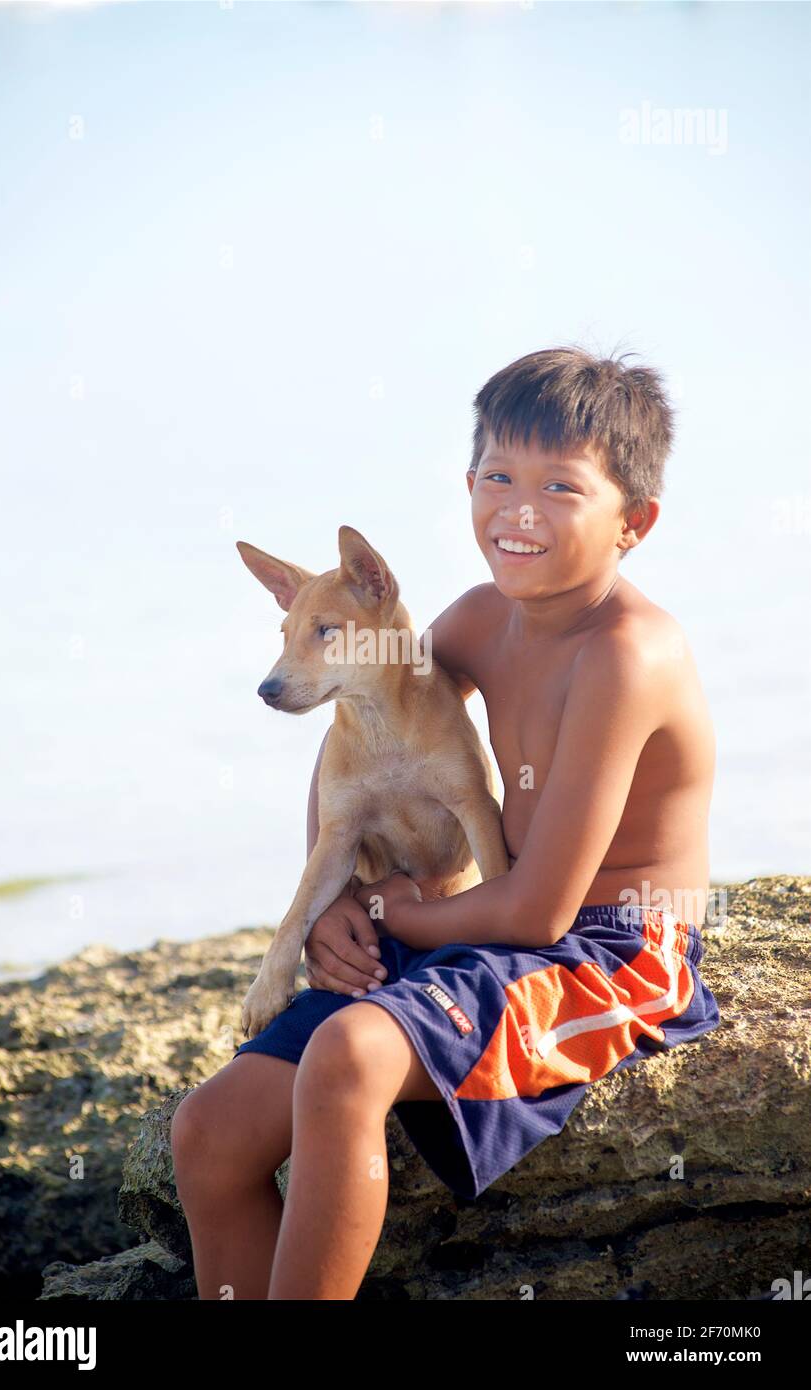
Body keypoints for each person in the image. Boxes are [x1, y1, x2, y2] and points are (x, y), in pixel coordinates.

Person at [171, 345, 721, 1300]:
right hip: (484, 934)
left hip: (610, 954)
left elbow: (541, 910)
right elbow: (364, 722)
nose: (518, 508)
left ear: (635, 521)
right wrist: (333, 895)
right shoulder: (476, 620)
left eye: (561, 487)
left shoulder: (628, 655)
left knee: (347, 1057)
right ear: (467, 484)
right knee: (208, 1132)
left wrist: (390, 920)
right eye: (498, 476)